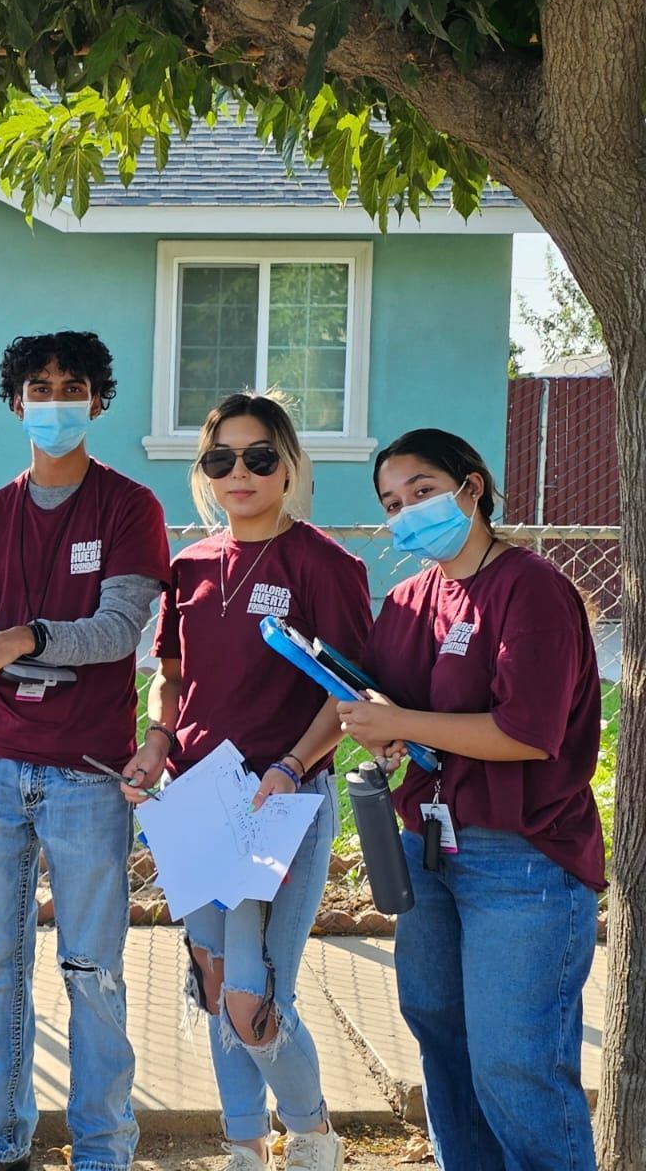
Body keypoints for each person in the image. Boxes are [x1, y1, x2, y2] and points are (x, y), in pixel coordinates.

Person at [0, 332, 170, 1171]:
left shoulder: (130, 508)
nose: (55, 400)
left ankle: (102, 1149)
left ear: (98, 402)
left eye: (72, 387)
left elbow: (118, 630)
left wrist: (19, 638)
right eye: (40, 386)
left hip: (87, 774)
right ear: (15, 403)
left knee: (93, 969)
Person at [121, 393, 370, 1171]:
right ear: (205, 471)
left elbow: (350, 695)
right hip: (199, 797)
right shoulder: (190, 566)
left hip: (280, 801)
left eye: (260, 456)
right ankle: (243, 1143)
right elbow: (172, 677)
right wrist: (157, 743)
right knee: (212, 979)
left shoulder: (327, 565)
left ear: (289, 465)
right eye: (221, 458)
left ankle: (312, 1133)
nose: (241, 473)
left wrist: (294, 764)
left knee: (250, 995)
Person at [343, 429, 603, 1171]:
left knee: (514, 1064)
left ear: (473, 486)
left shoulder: (532, 587)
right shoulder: (409, 598)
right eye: (392, 504)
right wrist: (380, 728)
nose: (407, 512)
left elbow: (527, 732)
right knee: (442, 1041)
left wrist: (400, 723)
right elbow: (394, 701)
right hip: (427, 851)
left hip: (521, 862)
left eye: (422, 491)